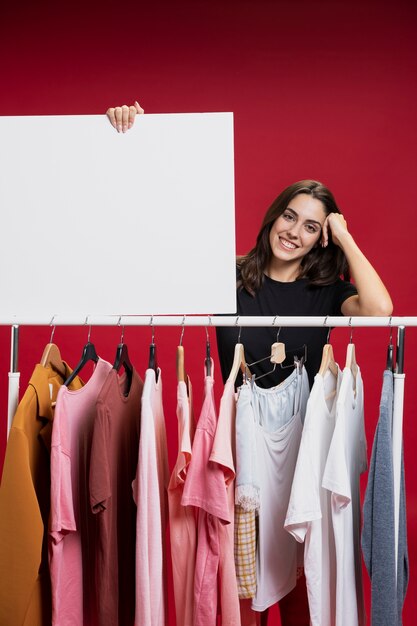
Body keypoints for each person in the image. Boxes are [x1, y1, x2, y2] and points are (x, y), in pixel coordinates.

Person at [106, 102, 393, 625]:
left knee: (305, 583)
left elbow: (380, 309)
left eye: (310, 226)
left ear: (319, 237)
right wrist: (133, 140)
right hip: (240, 448)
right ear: (273, 215)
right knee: (243, 585)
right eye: (290, 216)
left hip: (304, 447)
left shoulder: (325, 292)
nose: (294, 232)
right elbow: (151, 239)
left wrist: (344, 235)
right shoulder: (227, 277)